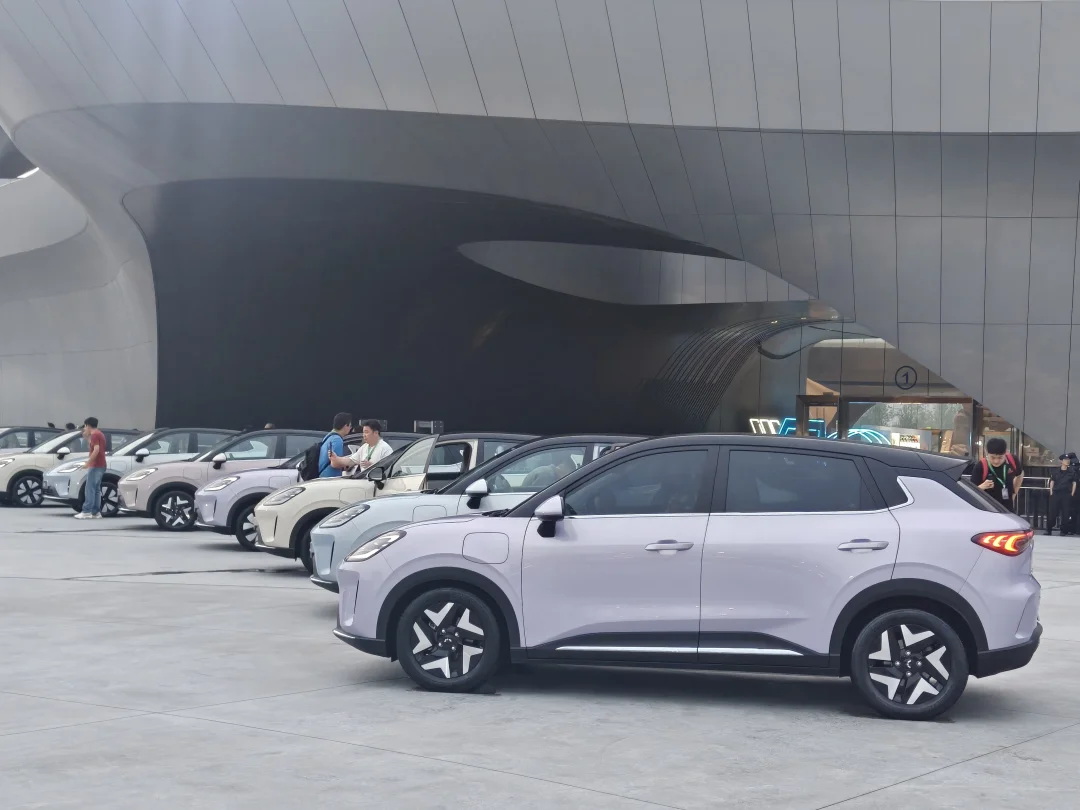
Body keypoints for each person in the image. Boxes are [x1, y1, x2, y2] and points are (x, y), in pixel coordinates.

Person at [970, 438, 1024, 513]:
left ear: (1006, 452)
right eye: (992, 457)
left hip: (1007, 507)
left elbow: (1020, 475)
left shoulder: (1012, 460)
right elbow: (971, 491)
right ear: (987, 453)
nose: (996, 461)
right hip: (987, 508)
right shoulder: (980, 466)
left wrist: (1014, 493)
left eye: (1000, 457)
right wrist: (982, 487)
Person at [328, 419, 393, 476]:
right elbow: (350, 461)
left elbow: (390, 470)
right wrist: (336, 458)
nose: (364, 435)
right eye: (363, 432)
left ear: (376, 433)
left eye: (366, 432)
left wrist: (372, 466)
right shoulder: (364, 447)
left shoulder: (385, 448)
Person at [74, 417, 107, 519]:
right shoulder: (99, 434)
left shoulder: (95, 435)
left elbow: (96, 450)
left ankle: (86, 511)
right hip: (101, 464)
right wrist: (87, 438)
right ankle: (95, 512)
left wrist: (88, 463)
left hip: (95, 465)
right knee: (96, 489)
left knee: (89, 489)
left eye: (85, 426)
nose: (84, 428)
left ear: (88, 425)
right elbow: (94, 446)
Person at [1046, 454, 1076, 535]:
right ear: (1061, 461)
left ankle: (1063, 530)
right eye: (1065, 460)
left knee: (1066, 513)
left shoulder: (1071, 472)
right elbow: (1052, 481)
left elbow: (1074, 483)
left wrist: (1072, 493)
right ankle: (1049, 529)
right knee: (1052, 512)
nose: (1067, 461)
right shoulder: (1055, 471)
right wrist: (1051, 492)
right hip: (1056, 494)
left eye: (1068, 460)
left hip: (1066, 494)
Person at [317, 412, 353, 478]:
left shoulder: (328, 436)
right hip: (331, 478)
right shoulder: (337, 439)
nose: (350, 428)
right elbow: (336, 463)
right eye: (350, 426)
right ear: (345, 426)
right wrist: (350, 463)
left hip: (323, 475)